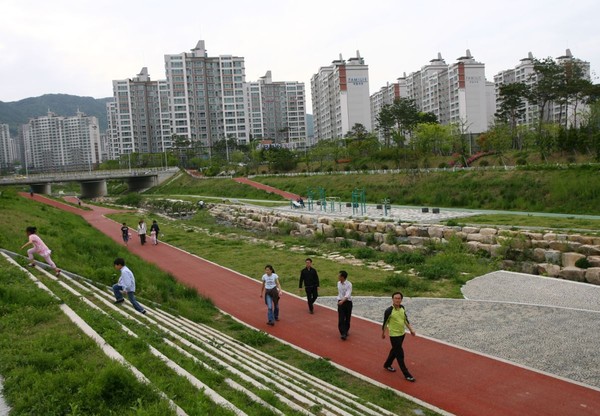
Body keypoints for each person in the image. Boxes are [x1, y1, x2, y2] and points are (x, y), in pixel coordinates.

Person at [381, 291, 416, 382]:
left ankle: (387, 364)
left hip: (402, 334)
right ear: (392, 299)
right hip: (394, 335)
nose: (397, 300)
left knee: (394, 350)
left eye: (399, 298)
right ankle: (407, 374)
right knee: (400, 354)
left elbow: (405, 320)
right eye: (395, 298)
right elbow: (385, 323)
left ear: (401, 300)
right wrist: (383, 333)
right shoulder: (389, 311)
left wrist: (411, 330)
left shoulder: (402, 308)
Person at [336, 270, 352, 340]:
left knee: (347, 318)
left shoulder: (349, 284)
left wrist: (343, 301)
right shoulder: (338, 283)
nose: (338, 277)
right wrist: (340, 301)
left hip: (347, 302)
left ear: (343, 277)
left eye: (339, 275)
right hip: (340, 302)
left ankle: (346, 330)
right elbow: (340, 293)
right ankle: (343, 333)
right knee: (341, 318)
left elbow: (348, 294)